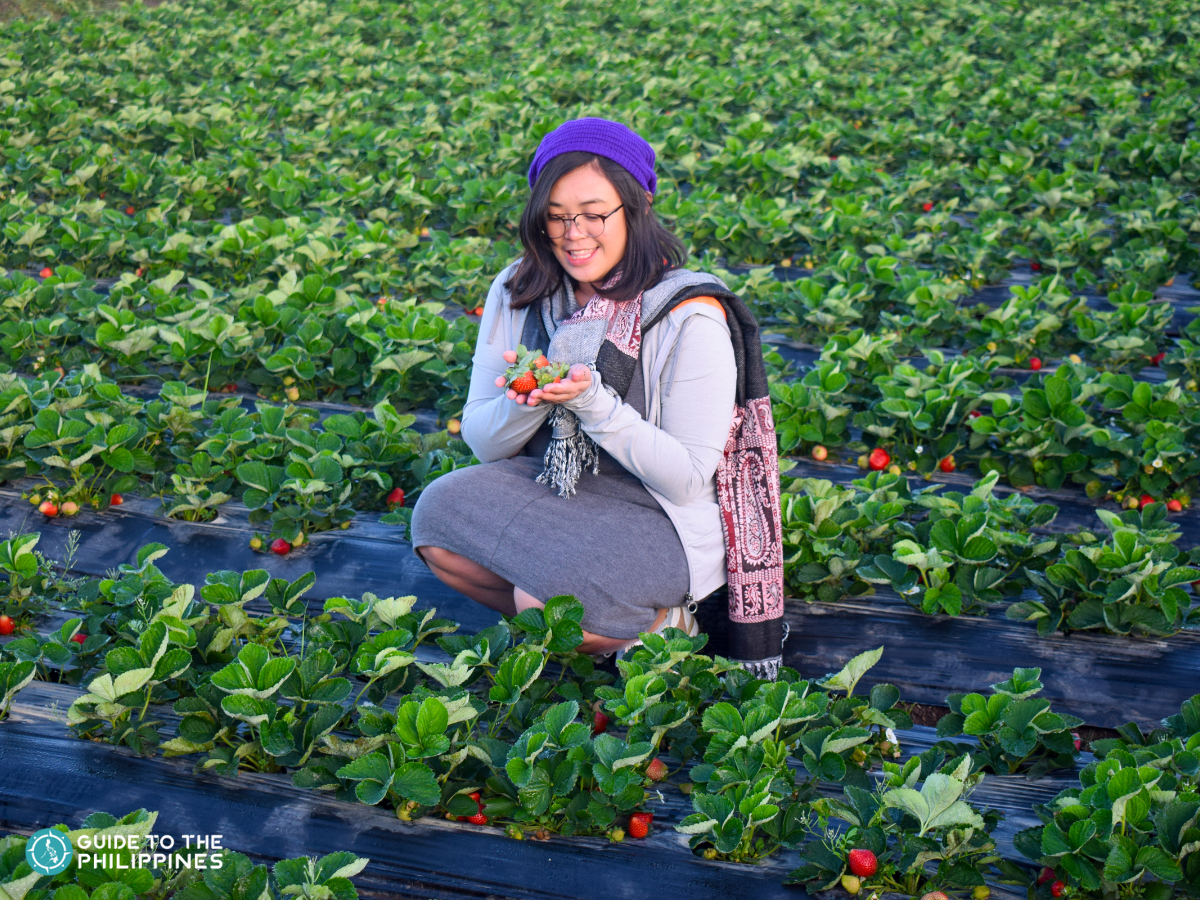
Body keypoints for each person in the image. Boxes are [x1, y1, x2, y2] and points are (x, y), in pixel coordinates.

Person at [411, 117, 785, 673]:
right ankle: (624, 623)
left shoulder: (691, 315)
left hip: (661, 512)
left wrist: (592, 403)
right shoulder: (520, 288)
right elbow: (485, 444)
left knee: (543, 607)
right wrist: (532, 391)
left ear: (639, 206)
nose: (573, 233)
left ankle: (659, 627)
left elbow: (686, 479)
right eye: (557, 216)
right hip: (556, 484)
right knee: (436, 520)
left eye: (594, 214)